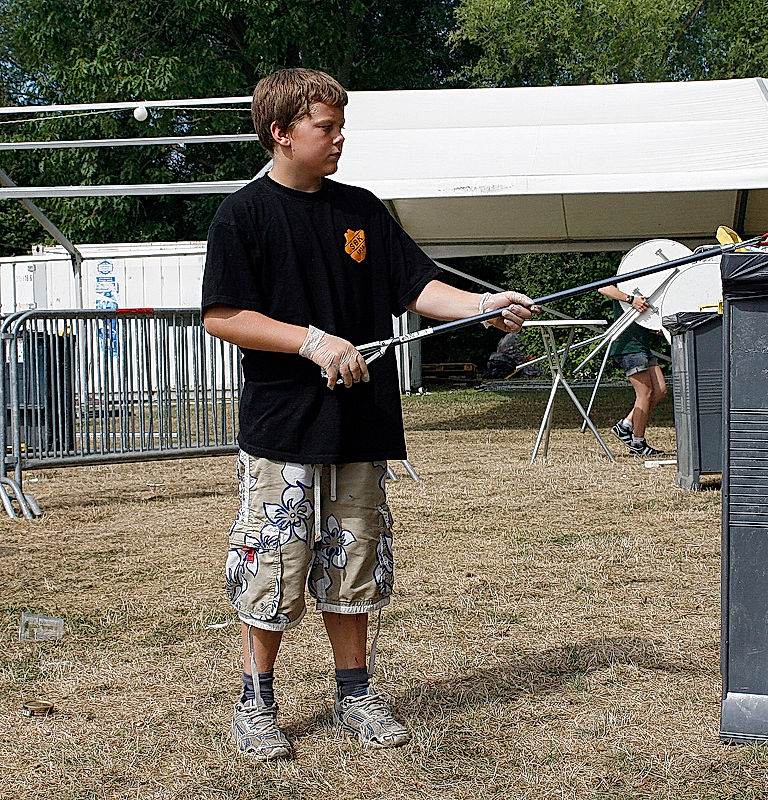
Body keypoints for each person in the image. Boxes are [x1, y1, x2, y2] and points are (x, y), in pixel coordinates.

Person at [202, 68, 537, 761]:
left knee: (353, 566)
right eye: (326, 127)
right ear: (281, 132)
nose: (339, 139)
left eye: (339, 126)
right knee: (273, 567)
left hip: (359, 426)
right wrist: (311, 340)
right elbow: (224, 315)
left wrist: (482, 306)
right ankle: (255, 703)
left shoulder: (361, 209)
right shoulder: (244, 215)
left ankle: (354, 693)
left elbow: (418, 288)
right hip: (285, 432)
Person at [596, 285, 668, 456]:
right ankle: (638, 443)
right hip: (628, 346)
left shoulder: (649, 283)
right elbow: (603, 288)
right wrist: (631, 299)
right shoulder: (624, 284)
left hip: (641, 346)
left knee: (660, 390)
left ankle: (626, 425)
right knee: (645, 393)